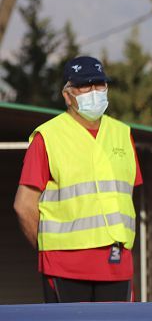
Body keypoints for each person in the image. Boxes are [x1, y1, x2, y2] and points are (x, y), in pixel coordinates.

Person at [13, 56, 143, 303]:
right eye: (85, 86)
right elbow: (24, 205)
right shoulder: (48, 137)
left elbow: (126, 199)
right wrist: (47, 250)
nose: (94, 91)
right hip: (65, 267)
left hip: (116, 265)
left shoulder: (122, 134)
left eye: (100, 85)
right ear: (67, 94)